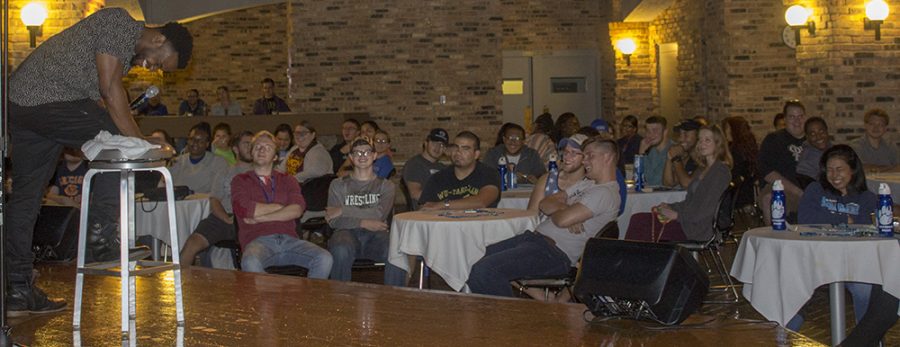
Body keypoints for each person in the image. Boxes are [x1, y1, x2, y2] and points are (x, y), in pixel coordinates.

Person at [6, 7, 192, 315]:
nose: (150, 67)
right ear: (158, 38)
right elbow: (109, 90)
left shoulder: (121, 54)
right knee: (115, 141)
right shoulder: (119, 22)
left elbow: (96, 99)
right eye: (158, 62)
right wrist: (138, 142)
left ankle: (18, 289)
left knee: (26, 199)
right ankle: (102, 238)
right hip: (45, 98)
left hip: (23, 105)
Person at [467, 137, 621, 297]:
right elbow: (545, 203)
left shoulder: (605, 192)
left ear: (607, 157)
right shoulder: (588, 184)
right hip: (534, 241)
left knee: (485, 271)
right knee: (473, 257)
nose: (585, 161)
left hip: (554, 253)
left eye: (590, 156)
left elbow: (561, 220)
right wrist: (567, 209)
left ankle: (509, 319)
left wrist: (563, 213)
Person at [787, 145, 878, 332]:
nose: (834, 175)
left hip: (853, 259)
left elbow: (865, 227)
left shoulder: (866, 198)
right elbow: (806, 219)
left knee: (866, 289)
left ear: (852, 170)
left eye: (839, 169)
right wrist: (845, 219)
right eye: (829, 169)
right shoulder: (815, 190)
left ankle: (868, 338)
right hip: (816, 256)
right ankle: (785, 332)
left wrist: (827, 218)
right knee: (792, 282)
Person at [231, 131, 332, 277]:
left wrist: (261, 218)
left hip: (289, 240)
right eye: (257, 146)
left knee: (324, 258)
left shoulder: (288, 180)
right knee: (250, 262)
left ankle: (308, 300)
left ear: (276, 156)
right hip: (258, 242)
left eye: (267, 147)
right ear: (251, 153)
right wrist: (280, 208)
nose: (261, 149)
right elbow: (245, 209)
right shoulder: (240, 180)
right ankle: (268, 299)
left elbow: (297, 210)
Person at [625, 126, 732, 242]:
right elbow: (690, 202)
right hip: (689, 222)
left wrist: (677, 216)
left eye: (707, 140)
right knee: (638, 218)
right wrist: (671, 206)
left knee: (639, 222)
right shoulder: (703, 169)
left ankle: (630, 258)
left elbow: (707, 209)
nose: (702, 144)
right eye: (700, 140)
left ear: (718, 143)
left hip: (700, 228)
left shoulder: (720, 172)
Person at [325, 138, 405, 283]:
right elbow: (333, 220)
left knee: (395, 249)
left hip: (376, 235)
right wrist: (363, 222)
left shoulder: (386, 186)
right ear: (351, 157)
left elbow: (379, 214)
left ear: (374, 155)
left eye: (367, 152)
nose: (362, 156)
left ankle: (395, 299)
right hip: (345, 233)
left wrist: (343, 210)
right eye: (357, 153)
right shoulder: (337, 185)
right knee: (340, 249)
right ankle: (339, 300)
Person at [179, 131, 254, 266]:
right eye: (246, 143)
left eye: (253, 144)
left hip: (249, 218)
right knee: (192, 244)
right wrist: (226, 219)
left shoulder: (260, 171)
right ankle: (179, 284)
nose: (251, 147)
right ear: (235, 149)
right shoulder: (225, 171)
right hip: (223, 216)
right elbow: (215, 199)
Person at [418, 131, 501, 210]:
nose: (458, 152)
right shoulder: (437, 178)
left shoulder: (489, 174)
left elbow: (481, 202)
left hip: (478, 223)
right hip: (446, 224)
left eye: (465, 149)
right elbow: (424, 207)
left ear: (476, 154)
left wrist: (444, 205)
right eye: (455, 147)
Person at [758, 100, 806, 224]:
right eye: (792, 117)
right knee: (772, 200)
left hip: (810, 190)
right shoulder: (773, 140)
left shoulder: (813, 139)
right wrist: (798, 192)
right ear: (785, 119)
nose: (797, 121)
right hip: (782, 189)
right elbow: (767, 172)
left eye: (800, 116)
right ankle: (773, 240)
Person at [527, 134, 587, 211]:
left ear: (585, 157)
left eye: (574, 153)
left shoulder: (590, 184)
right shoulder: (547, 179)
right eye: (565, 151)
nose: (567, 156)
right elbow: (532, 214)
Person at [169, 123, 229, 194]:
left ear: (207, 144)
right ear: (187, 141)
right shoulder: (176, 162)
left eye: (200, 140)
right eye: (192, 139)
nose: (195, 143)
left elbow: (220, 192)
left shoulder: (219, 163)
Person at [402, 128, 448, 210]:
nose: (437, 148)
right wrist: (445, 200)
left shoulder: (444, 168)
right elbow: (415, 194)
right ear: (426, 143)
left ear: (444, 149)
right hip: (424, 213)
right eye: (434, 143)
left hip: (443, 210)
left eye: (441, 145)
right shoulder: (414, 164)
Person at [721, 116, 758, 209]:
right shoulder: (748, 149)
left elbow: (732, 174)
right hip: (747, 193)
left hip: (738, 196)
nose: (725, 132)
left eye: (727, 129)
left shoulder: (736, 151)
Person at [850, 108, 899, 173]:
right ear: (866, 126)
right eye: (872, 124)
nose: (876, 128)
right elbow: (859, 169)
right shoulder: (855, 146)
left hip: (888, 182)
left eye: (880, 125)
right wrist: (890, 168)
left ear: (885, 128)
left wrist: (874, 169)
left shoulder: (891, 146)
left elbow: (899, 168)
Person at [663, 119, 701, 188]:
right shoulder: (686, 158)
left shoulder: (705, 159)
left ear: (698, 136)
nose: (681, 139)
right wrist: (669, 156)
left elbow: (687, 184)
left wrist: (676, 159)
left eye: (686, 134)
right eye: (680, 134)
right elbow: (668, 183)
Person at [795, 117, 830, 188]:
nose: (818, 137)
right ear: (807, 137)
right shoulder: (806, 161)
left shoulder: (836, 150)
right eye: (813, 134)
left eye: (821, 131)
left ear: (827, 131)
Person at [638, 116, 672, 187]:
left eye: (655, 130)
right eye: (648, 131)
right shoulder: (650, 151)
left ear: (665, 132)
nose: (650, 135)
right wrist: (641, 153)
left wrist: (642, 155)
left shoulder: (673, 150)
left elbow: (654, 181)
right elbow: (637, 178)